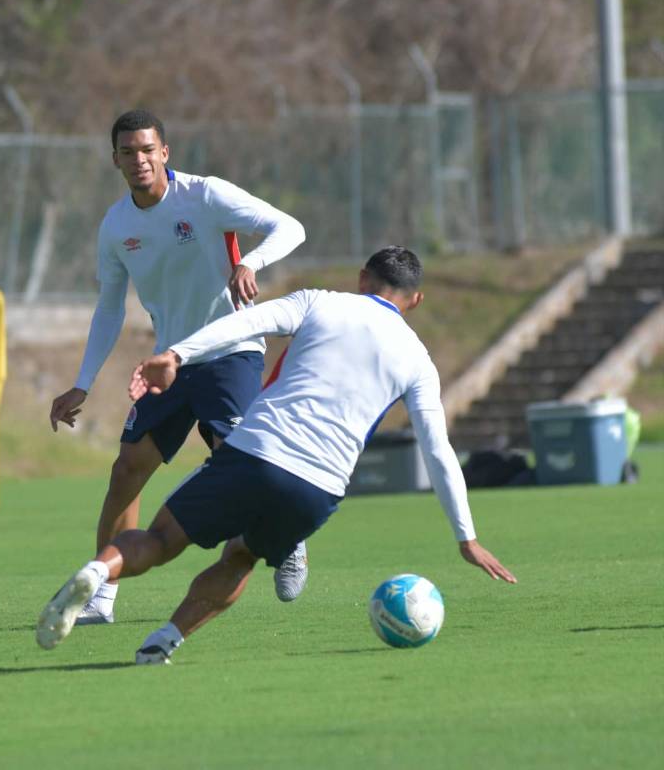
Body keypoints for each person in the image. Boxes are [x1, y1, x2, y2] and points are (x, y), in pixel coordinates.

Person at [37, 246, 517, 663]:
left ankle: (99, 571)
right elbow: (437, 449)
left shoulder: (319, 303)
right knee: (241, 558)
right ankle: (164, 640)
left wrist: (177, 355)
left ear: (362, 280)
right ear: (416, 300)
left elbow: (244, 323)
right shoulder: (418, 360)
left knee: (160, 541)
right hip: (319, 487)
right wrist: (466, 537)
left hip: (255, 452)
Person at [47, 109, 307, 624]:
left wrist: (250, 262)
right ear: (115, 159)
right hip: (171, 362)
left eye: (148, 150)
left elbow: (290, 226)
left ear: (165, 152)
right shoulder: (116, 226)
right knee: (126, 470)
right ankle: (102, 597)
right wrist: (82, 383)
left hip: (232, 351)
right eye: (128, 152)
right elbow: (109, 308)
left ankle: (289, 536)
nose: (139, 160)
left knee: (243, 470)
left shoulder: (204, 196)